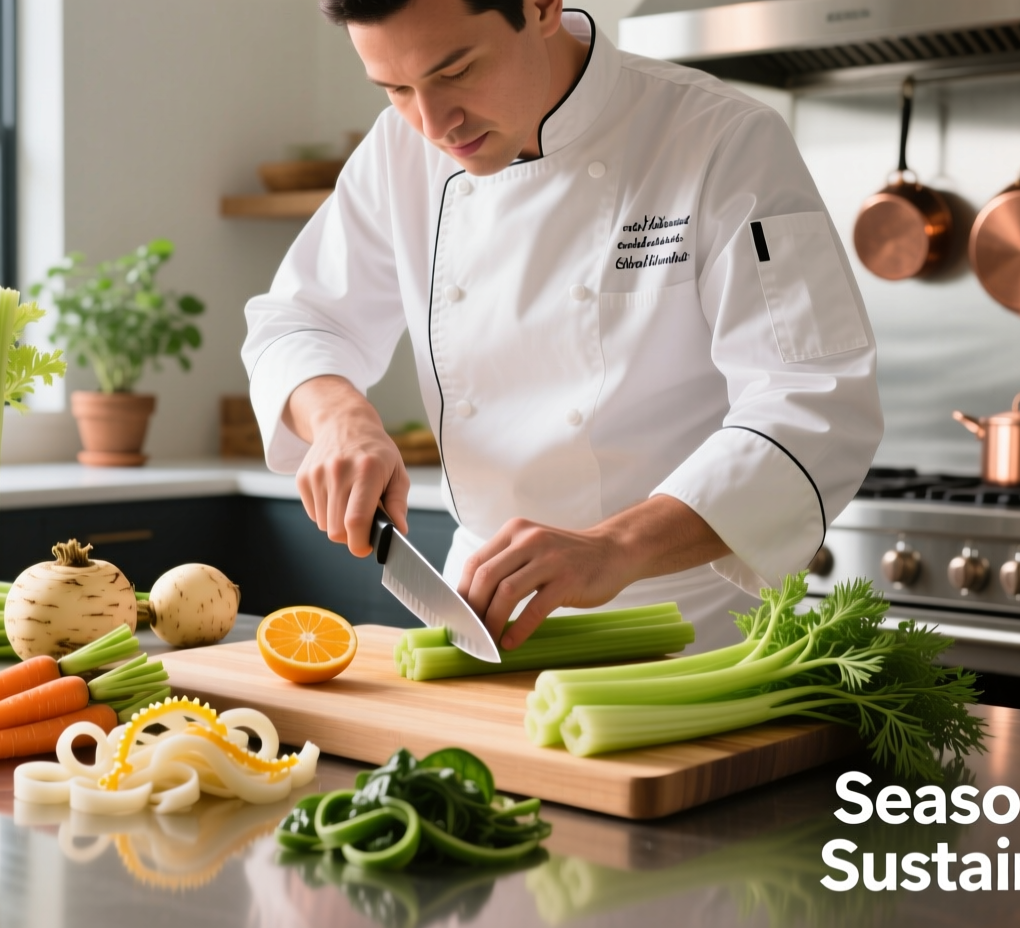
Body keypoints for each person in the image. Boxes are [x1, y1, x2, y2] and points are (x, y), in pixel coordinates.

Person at [241, 0, 882, 651]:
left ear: (540, 6)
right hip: (481, 620)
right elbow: (297, 320)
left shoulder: (722, 139)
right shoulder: (397, 151)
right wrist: (339, 417)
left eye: (457, 71)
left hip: (690, 638)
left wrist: (616, 546)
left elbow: (815, 398)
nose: (435, 123)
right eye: (398, 89)